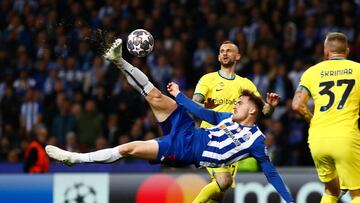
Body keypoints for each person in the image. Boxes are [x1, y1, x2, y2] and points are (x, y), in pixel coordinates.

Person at [46, 38, 294, 203]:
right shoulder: (221, 106)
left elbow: (271, 173)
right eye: (221, 50)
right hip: (188, 128)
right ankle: (118, 60)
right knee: (155, 96)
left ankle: (75, 159)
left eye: (240, 103)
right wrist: (179, 97)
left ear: (251, 112)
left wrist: (289, 201)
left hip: (185, 149)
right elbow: (204, 113)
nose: (235, 104)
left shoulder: (256, 140)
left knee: (129, 148)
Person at [192, 40, 279, 202]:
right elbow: (194, 103)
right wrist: (204, 106)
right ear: (218, 57)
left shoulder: (245, 84)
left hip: (231, 143)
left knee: (219, 192)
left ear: (237, 56)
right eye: (222, 51)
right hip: (209, 137)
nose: (224, 53)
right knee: (224, 181)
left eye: (229, 51)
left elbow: (264, 111)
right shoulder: (208, 79)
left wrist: (271, 106)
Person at [292, 32, 360, 203]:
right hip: (346, 137)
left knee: (331, 190)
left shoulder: (312, 72)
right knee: (357, 193)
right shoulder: (357, 69)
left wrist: (311, 119)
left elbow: (296, 105)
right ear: (348, 51)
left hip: (318, 138)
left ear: (326, 52)